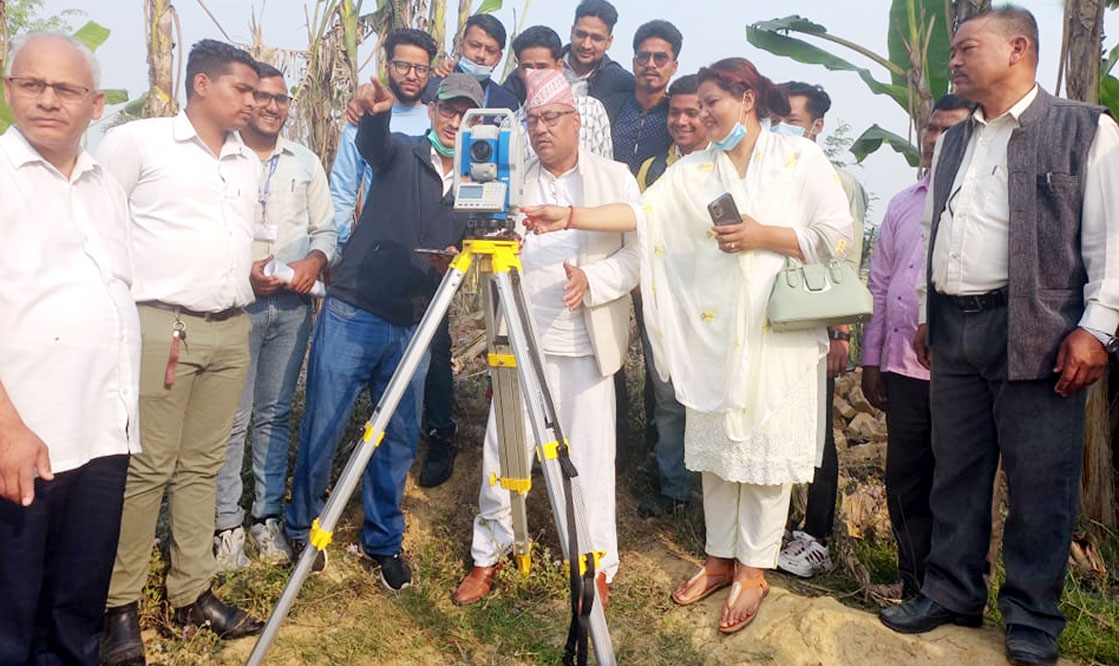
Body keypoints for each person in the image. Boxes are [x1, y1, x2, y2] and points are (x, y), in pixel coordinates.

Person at [522, 57, 853, 635]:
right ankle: (720, 558)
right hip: (715, 332)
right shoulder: (697, 170)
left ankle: (754, 569)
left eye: (711, 105)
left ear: (747, 98)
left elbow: (836, 236)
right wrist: (570, 214)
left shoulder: (799, 159)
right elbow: (643, 215)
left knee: (766, 456)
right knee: (721, 454)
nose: (700, 116)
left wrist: (761, 234)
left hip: (778, 333)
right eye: (696, 108)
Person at [878, 9, 1119, 666]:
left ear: (1018, 49)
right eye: (952, 49)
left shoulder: (1085, 130)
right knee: (954, 472)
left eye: (965, 48)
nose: (952, 60)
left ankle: (1032, 619)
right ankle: (951, 592)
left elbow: (1111, 238)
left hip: (1038, 330)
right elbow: (938, 228)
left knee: (1040, 482)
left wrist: (1096, 328)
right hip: (955, 327)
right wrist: (930, 312)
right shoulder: (957, 139)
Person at [97, 40, 265, 665]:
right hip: (161, 326)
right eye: (241, 90)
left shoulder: (245, 163)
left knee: (202, 466)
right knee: (146, 469)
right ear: (201, 84)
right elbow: (99, 227)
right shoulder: (139, 144)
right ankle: (119, 607)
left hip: (229, 328)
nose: (252, 101)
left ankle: (190, 594)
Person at [284, 74, 482, 590]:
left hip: (414, 321)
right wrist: (373, 114)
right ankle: (301, 528)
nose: (455, 121)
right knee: (324, 424)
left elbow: (479, 242)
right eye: (449, 110)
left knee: (397, 436)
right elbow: (372, 143)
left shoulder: (479, 181)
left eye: (467, 114)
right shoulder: (401, 151)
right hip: (357, 308)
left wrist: (455, 260)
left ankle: (383, 541)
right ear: (435, 111)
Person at [452, 69, 640, 608]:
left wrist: (594, 280)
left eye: (551, 118)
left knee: (589, 459)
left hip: (584, 342)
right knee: (502, 452)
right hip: (519, 334)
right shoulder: (513, 177)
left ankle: (594, 566)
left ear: (576, 121)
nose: (541, 130)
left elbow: (634, 253)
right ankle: (488, 554)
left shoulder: (613, 178)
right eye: (532, 120)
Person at [0, 32, 140, 666]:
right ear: (10, 92)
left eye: (66, 88)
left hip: (103, 432)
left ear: (96, 103)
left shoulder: (103, 184)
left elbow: (114, 287)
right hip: (27, 439)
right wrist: (6, 427)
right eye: (32, 84)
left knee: (76, 603)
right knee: (14, 609)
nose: (48, 100)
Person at [212, 64, 337, 571]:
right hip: (235, 306)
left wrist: (312, 262)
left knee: (274, 413)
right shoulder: (222, 159)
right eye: (262, 96)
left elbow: (326, 230)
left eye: (281, 99)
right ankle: (225, 524)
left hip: (289, 308)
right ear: (246, 100)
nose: (271, 106)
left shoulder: (305, 163)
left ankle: (266, 519)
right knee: (231, 418)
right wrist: (244, 274)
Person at [860, 94, 972, 601]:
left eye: (950, 128)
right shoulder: (903, 202)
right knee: (905, 475)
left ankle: (955, 587)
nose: (936, 138)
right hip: (903, 367)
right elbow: (880, 283)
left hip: (963, 369)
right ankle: (912, 580)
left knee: (957, 480)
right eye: (931, 128)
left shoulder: (980, 203)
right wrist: (871, 359)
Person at [774, 80, 869, 579]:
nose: (780, 130)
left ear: (816, 126)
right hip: (774, 327)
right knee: (778, 427)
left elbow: (844, 263)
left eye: (790, 121)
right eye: (776, 120)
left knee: (817, 435)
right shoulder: (768, 176)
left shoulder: (837, 182)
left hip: (816, 327)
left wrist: (838, 332)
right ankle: (780, 527)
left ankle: (818, 535)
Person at [633, 73, 708, 518]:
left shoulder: (727, 166)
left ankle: (714, 492)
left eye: (691, 112)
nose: (681, 121)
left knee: (712, 398)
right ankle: (674, 488)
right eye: (674, 112)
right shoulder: (652, 169)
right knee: (667, 396)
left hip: (711, 307)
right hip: (663, 304)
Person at [330, 28, 437, 250]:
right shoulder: (364, 121)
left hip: (430, 249)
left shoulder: (440, 123)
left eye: (421, 69)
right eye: (403, 65)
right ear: (387, 66)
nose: (411, 75)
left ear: (430, 73)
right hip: (377, 245)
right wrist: (336, 249)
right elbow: (342, 192)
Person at [506, 25, 614, 162]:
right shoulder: (511, 125)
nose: (534, 74)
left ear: (559, 66)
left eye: (542, 67)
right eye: (527, 67)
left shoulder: (591, 110)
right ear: (519, 70)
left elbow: (605, 168)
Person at [603, 19, 679, 174]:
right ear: (634, 62)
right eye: (644, 56)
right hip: (609, 195)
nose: (650, 64)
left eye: (660, 58)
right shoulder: (610, 107)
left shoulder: (677, 116)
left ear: (674, 66)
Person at [423, 14, 520, 112]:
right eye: (475, 45)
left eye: (490, 50)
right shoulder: (431, 88)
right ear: (461, 45)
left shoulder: (507, 102)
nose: (481, 55)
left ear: (499, 58)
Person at [561, 0, 634, 101]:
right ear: (572, 32)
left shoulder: (622, 83)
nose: (586, 45)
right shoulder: (545, 64)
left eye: (596, 38)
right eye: (581, 34)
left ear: (609, 42)